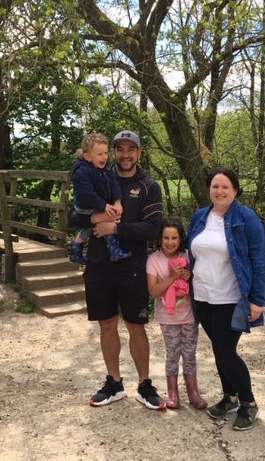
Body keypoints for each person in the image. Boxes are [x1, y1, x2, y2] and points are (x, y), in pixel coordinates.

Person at [68, 129, 165, 410]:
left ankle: (145, 385)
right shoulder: (95, 175)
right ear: (112, 152)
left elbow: (153, 228)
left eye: (130, 149)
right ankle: (114, 382)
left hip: (132, 268)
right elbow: (74, 215)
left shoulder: (149, 186)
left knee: (136, 326)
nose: (125, 154)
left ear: (139, 153)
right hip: (98, 266)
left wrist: (116, 228)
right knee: (107, 324)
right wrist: (98, 215)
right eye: (119, 149)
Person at [187, 167, 265, 431]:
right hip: (202, 297)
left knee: (226, 352)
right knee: (219, 350)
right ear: (208, 189)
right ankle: (229, 397)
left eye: (225, 187)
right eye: (214, 186)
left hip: (230, 298)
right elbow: (191, 254)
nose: (219, 191)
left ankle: (248, 404)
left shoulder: (246, 218)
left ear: (235, 190)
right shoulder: (200, 217)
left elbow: (258, 260)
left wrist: (257, 300)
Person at [146, 217, 208, 410]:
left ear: (181, 239)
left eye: (174, 238)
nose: (170, 242)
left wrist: (189, 279)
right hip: (168, 317)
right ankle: (173, 393)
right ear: (159, 239)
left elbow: (199, 284)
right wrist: (172, 277)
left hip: (189, 315)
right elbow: (153, 292)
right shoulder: (154, 260)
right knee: (172, 354)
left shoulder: (189, 256)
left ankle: (193, 392)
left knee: (189, 354)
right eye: (166, 238)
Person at [69, 133, 131, 264]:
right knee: (111, 216)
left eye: (106, 153)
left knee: (88, 227)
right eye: (99, 154)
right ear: (87, 156)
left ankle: (75, 249)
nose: (104, 157)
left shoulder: (105, 167)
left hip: (98, 204)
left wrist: (117, 201)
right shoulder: (81, 172)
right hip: (85, 205)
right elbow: (87, 195)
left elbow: (113, 183)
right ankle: (114, 249)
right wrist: (105, 206)